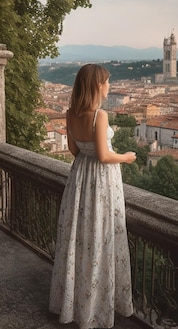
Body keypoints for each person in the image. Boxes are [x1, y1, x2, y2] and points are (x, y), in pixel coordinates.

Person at [49, 64, 136, 329]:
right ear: (98, 85)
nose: (110, 86)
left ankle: (74, 303)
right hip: (101, 182)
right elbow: (104, 155)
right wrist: (127, 157)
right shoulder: (100, 116)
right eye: (107, 82)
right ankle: (96, 307)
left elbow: (76, 151)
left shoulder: (70, 114)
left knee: (79, 239)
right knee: (101, 238)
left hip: (79, 179)